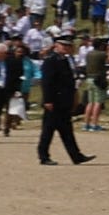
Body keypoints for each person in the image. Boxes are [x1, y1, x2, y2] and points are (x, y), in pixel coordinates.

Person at [34, 33, 91, 166]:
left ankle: (76, 156)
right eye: (63, 45)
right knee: (48, 130)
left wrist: (72, 99)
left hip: (64, 101)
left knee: (67, 131)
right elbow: (47, 82)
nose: (66, 48)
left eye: (69, 46)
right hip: (54, 101)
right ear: (56, 45)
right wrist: (48, 100)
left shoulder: (65, 60)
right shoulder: (51, 60)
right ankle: (43, 156)